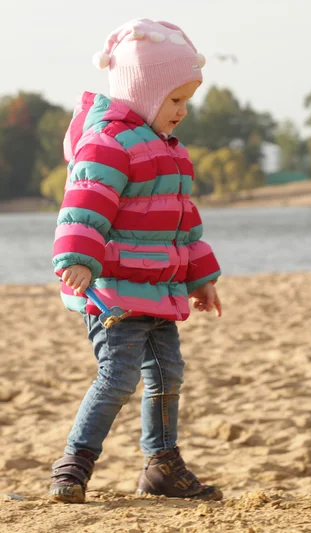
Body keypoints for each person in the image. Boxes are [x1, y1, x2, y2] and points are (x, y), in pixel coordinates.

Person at [48, 18, 223, 504]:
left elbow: (184, 221)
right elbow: (85, 204)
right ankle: (74, 463)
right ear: (142, 92)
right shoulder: (109, 142)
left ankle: (162, 464)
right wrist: (79, 258)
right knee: (118, 374)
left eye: (187, 99)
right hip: (112, 290)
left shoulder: (171, 153)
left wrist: (200, 277)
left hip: (158, 291)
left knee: (169, 372)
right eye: (174, 99)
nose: (182, 110)